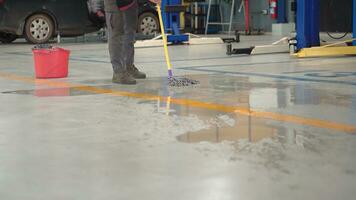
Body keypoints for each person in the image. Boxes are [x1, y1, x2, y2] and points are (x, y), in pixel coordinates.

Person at [104, 0, 161, 85]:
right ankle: (118, 72)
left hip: (130, 3)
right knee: (116, 34)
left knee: (130, 32)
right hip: (115, 3)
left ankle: (128, 67)